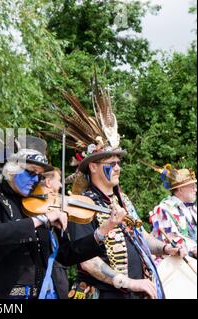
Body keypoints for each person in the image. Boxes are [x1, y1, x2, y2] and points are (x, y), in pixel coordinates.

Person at [52, 80, 187, 299]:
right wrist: (130, 283)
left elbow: (141, 237)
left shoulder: (122, 199)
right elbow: (87, 262)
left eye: (118, 162)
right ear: (93, 166)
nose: (118, 167)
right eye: (111, 163)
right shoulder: (82, 204)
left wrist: (165, 248)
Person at [0, 135, 126, 299]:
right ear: (11, 169)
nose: (35, 180)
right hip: (11, 294)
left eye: (40, 175)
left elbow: (66, 255)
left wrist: (102, 231)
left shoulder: (40, 202)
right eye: (31, 172)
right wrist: (42, 219)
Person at [148, 164, 197, 259]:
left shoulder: (192, 208)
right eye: (192, 186)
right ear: (180, 189)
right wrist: (194, 248)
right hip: (179, 265)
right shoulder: (163, 209)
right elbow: (171, 239)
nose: (195, 189)